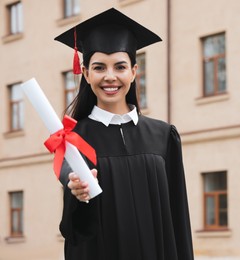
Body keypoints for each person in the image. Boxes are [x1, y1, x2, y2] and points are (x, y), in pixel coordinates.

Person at [54, 8, 194, 260]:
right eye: (99, 68)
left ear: (134, 71)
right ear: (86, 74)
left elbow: (178, 219)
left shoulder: (163, 136)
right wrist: (78, 195)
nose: (110, 77)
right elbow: (74, 232)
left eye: (120, 66)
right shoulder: (74, 138)